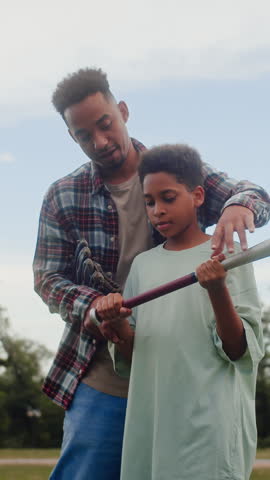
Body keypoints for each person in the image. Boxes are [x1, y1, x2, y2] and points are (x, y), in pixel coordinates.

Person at [32, 68, 269, 479]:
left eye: (105, 125)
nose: (100, 142)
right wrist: (96, 308)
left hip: (186, 378)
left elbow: (250, 194)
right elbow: (47, 278)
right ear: (73, 138)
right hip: (104, 373)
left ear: (123, 111)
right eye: (84, 135)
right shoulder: (61, 195)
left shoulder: (170, 169)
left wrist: (240, 205)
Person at [96, 144, 264, 480]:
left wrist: (216, 289)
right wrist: (118, 324)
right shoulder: (143, 266)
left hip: (209, 427)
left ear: (198, 195)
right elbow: (134, 356)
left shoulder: (227, 254)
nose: (157, 210)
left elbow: (238, 350)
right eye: (149, 202)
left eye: (168, 198)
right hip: (155, 424)